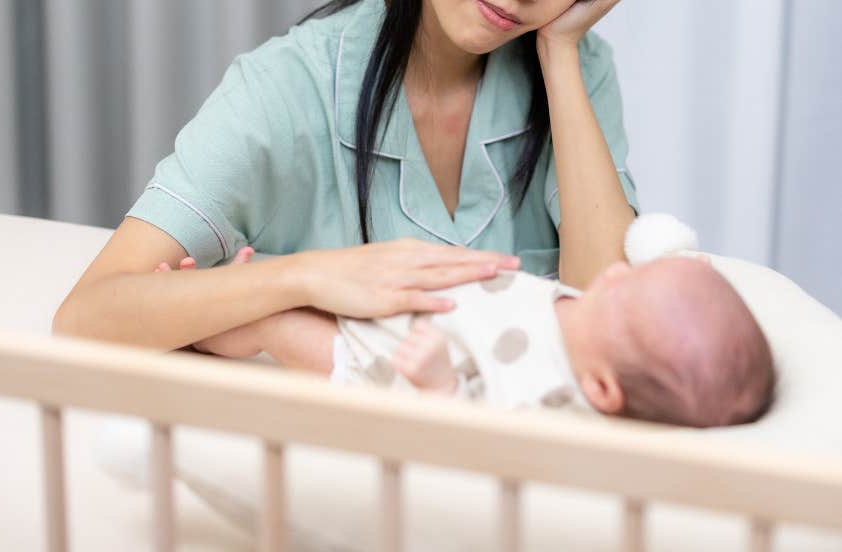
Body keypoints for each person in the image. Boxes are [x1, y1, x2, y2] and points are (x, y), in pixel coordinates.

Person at [53, 0, 642, 357]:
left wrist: (562, 51)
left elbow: (613, 328)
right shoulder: (286, 88)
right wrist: (301, 282)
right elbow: (89, 313)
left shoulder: (578, 69)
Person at [158, 251, 776, 428]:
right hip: (408, 314)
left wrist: (441, 388)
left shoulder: (552, 400)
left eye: (619, 294)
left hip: (388, 369)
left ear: (602, 388)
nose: (610, 275)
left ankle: (199, 327)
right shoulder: (595, 334)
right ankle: (225, 294)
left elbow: (479, 445)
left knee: (280, 327)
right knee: (297, 284)